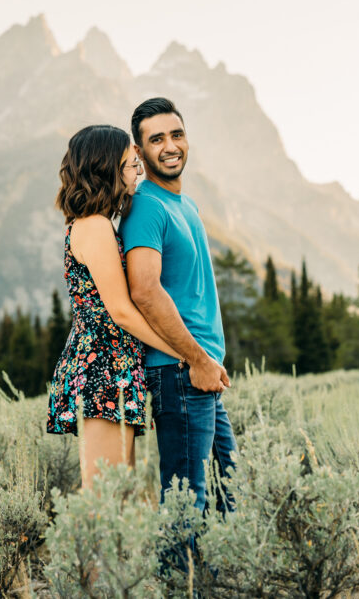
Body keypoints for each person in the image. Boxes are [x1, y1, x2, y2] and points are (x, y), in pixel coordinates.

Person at [45, 124, 182, 489]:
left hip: (113, 368)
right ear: (106, 169)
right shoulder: (94, 226)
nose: (138, 172)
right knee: (105, 500)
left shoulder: (97, 223)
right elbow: (119, 310)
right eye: (131, 165)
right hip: (102, 369)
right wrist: (178, 350)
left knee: (119, 495)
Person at [120, 97, 238, 516]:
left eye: (177, 135)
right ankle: (178, 564)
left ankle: (216, 565)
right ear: (139, 151)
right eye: (157, 139)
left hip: (201, 372)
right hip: (180, 372)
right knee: (187, 505)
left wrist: (207, 362)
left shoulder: (186, 205)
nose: (170, 146)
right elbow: (145, 290)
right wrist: (198, 359)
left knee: (230, 494)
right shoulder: (145, 208)